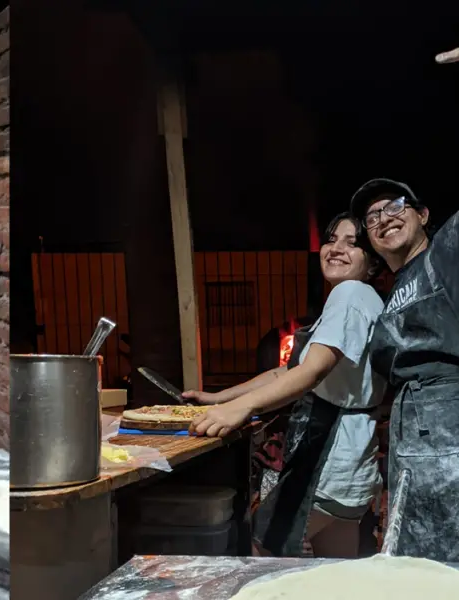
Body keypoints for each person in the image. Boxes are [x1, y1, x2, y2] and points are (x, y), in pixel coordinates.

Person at [184, 213, 386, 558]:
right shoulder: (359, 299)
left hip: (328, 460)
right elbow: (285, 372)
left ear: (371, 264)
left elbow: (312, 372)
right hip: (352, 465)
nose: (336, 249)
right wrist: (219, 397)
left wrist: (242, 409)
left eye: (352, 244)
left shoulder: (350, 295)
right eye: (332, 239)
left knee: (262, 549)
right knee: (334, 570)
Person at [347, 178, 459, 562]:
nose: (384, 218)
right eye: (372, 216)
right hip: (412, 439)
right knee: (420, 560)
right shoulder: (391, 294)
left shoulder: (444, 254)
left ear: (423, 215)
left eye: (395, 206)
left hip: (450, 428)